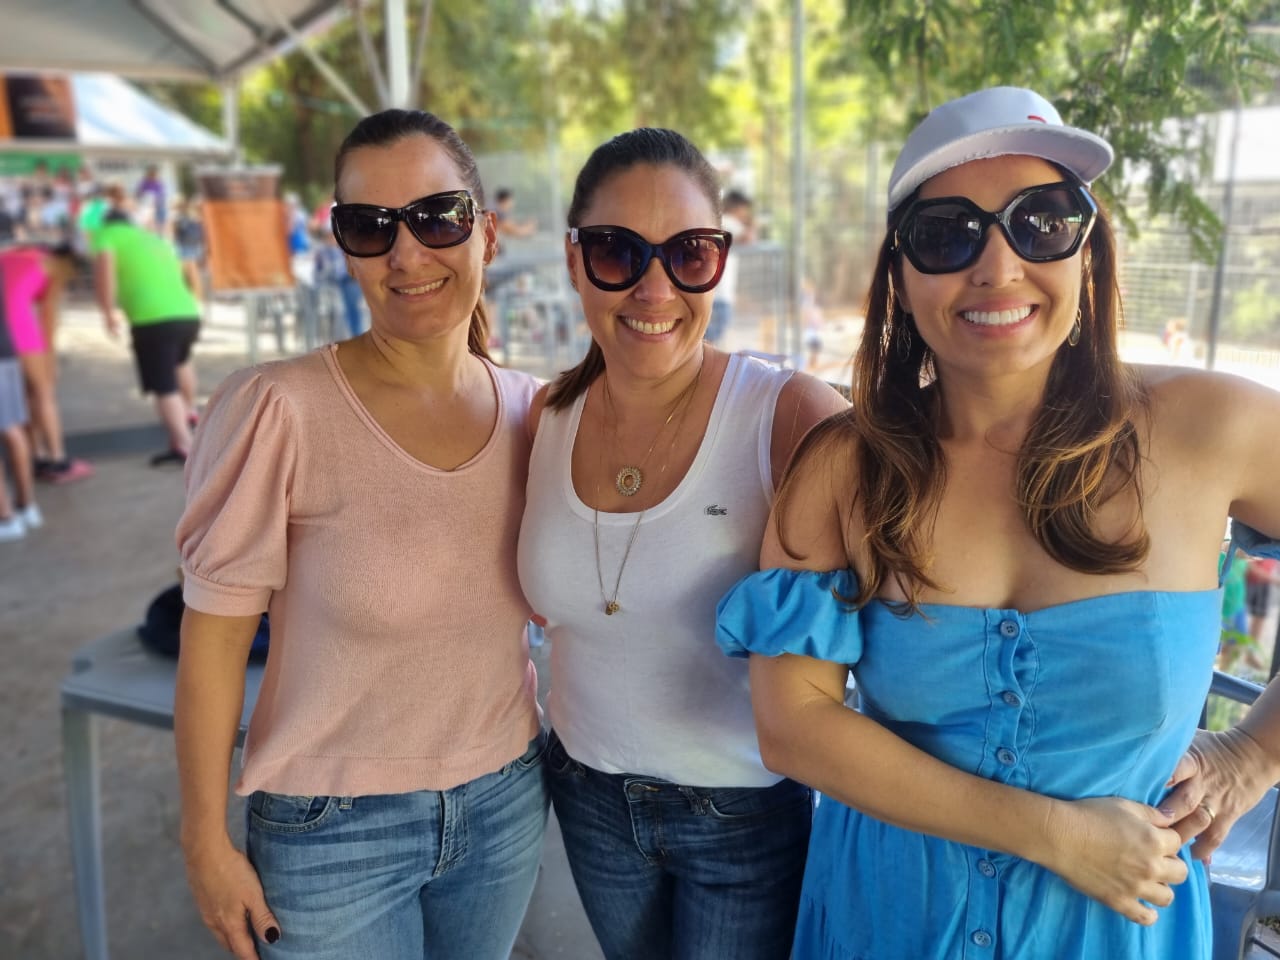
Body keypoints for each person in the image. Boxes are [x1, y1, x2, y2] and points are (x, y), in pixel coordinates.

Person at [715, 85, 1280, 959]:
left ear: (1088, 249)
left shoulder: (1214, 428)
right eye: (947, 234)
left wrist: (1253, 755)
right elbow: (793, 723)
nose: (998, 267)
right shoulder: (846, 465)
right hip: (890, 923)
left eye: (1041, 222)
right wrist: (1058, 836)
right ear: (899, 276)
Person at [174, 108, 547, 960]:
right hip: (332, 833)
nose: (406, 254)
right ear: (344, 248)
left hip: (506, 801)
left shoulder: (537, 414)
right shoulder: (279, 409)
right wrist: (203, 840)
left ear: (487, 233)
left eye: (437, 217)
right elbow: (213, 640)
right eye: (370, 226)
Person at [518, 128, 848, 960]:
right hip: (586, 794)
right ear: (574, 260)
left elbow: (933, 584)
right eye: (616, 251)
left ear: (720, 260)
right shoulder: (542, 419)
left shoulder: (788, 416)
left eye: (690, 253)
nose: (654, 286)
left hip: (743, 813)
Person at [90, 185, 200, 465]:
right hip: (186, 312)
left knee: (163, 385)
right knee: (181, 363)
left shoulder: (105, 236)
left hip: (152, 319)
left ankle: (185, 447)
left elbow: (104, 275)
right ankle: (190, 413)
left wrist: (107, 313)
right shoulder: (150, 238)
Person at [0, 244, 94, 483]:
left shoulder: (15, 254)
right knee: (44, 393)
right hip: (19, 327)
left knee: (23, 396)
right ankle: (57, 460)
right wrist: (50, 362)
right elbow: (48, 318)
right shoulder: (54, 267)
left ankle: (37, 455)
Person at [705, 189, 753, 346]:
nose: (745, 213)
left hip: (712, 290)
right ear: (738, 207)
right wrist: (752, 223)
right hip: (721, 294)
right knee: (711, 339)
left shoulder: (717, 221)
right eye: (745, 209)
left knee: (708, 338)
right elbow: (749, 238)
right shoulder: (730, 221)